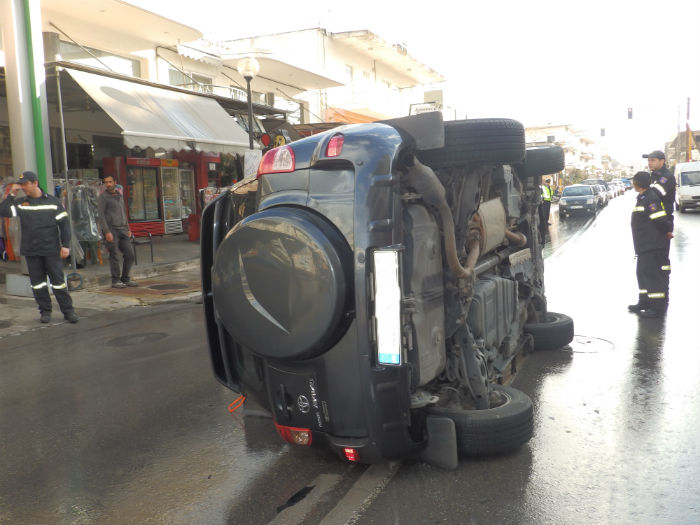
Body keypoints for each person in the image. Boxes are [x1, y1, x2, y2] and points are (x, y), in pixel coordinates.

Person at [0, 171, 79, 323]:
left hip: (51, 250)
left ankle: (68, 312)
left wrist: (66, 246)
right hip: (31, 250)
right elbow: (3, 211)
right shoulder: (22, 203)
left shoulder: (53, 202)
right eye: (21, 185)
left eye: (25, 184)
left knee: (58, 283)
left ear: (35, 183)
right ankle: (45, 312)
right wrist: (11, 194)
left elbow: (64, 226)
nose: (23, 187)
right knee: (38, 284)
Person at [627, 171, 673, 318]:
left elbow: (660, 220)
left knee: (653, 276)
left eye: (633, 181)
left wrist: (667, 231)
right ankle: (644, 302)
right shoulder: (643, 197)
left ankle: (657, 308)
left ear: (638, 183)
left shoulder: (650, 199)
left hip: (652, 246)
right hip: (644, 246)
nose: (632, 183)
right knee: (642, 274)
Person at [97, 175, 137, 288]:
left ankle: (125, 278)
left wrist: (128, 228)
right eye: (106, 182)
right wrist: (107, 232)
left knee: (130, 254)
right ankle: (115, 280)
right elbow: (101, 216)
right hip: (111, 230)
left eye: (110, 182)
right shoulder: (103, 197)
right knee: (114, 255)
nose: (108, 184)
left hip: (123, 229)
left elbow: (123, 212)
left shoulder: (119, 195)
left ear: (115, 182)